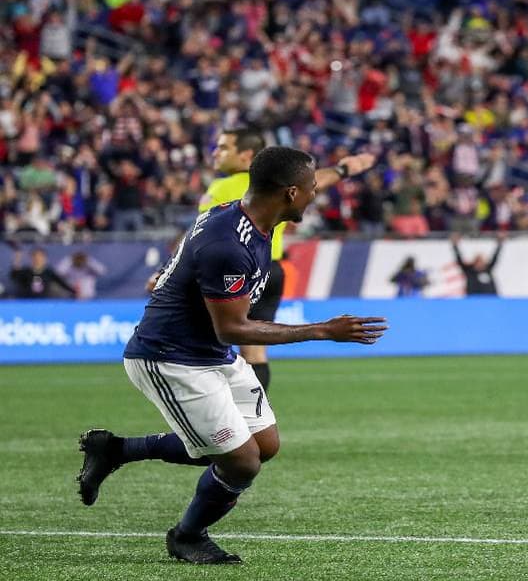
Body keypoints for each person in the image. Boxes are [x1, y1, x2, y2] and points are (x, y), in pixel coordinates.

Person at [77, 146, 387, 565]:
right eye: (312, 189)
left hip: (210, 353)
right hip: (171, 358)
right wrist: (322, 330)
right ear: (291, 194)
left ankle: (117, 450)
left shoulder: (250, 213)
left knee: (264, 444)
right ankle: (187, 536)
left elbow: (195, 270)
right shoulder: (230, 245)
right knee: (242, 463)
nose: (318, 195)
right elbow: (233, 327)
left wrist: (346, 168)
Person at [193, 128, 376, 393]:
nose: (215, 153)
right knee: (255, 353)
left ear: (246, 156)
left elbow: (200, 235)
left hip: (235, 270)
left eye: (223, 148)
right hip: (271, 270)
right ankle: (255, 413)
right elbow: (314, 182)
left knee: (212, 343)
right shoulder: (279, 185)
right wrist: (342, 170)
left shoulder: (223, 187)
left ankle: (223, 417)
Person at [8, 248, 76, 299]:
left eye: (40, 256)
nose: (37, 259)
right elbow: (14, 276)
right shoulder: (26, 271)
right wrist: (16, 261)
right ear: (32, 258)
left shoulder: (48, 272)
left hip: (43, 302)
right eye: (35, 257)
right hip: (27, 302)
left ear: (44, 258)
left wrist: (74, 291)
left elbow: (62, 283)